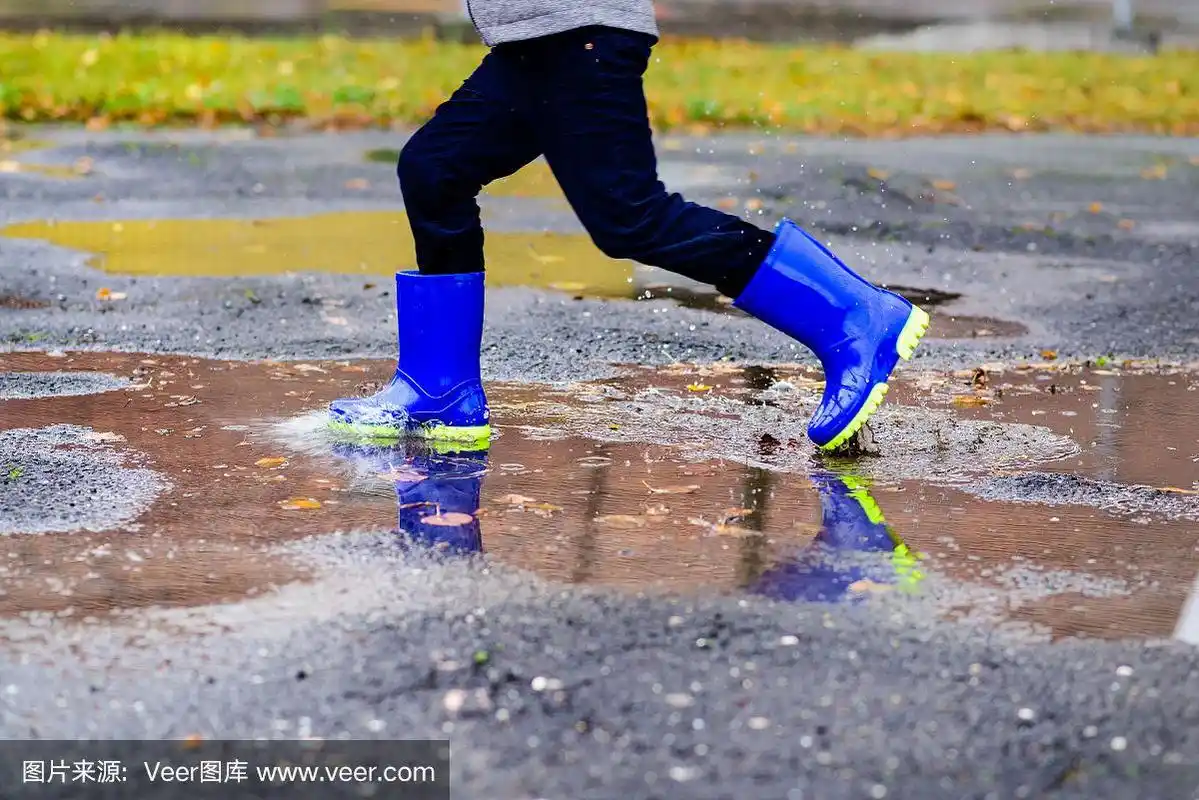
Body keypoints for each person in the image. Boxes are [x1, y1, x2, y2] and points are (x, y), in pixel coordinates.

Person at [328, 2, 930, 452]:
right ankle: (442, 391)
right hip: (531, 43)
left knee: (630, 217)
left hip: (578, 32)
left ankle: (852, 313)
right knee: (435, 170)